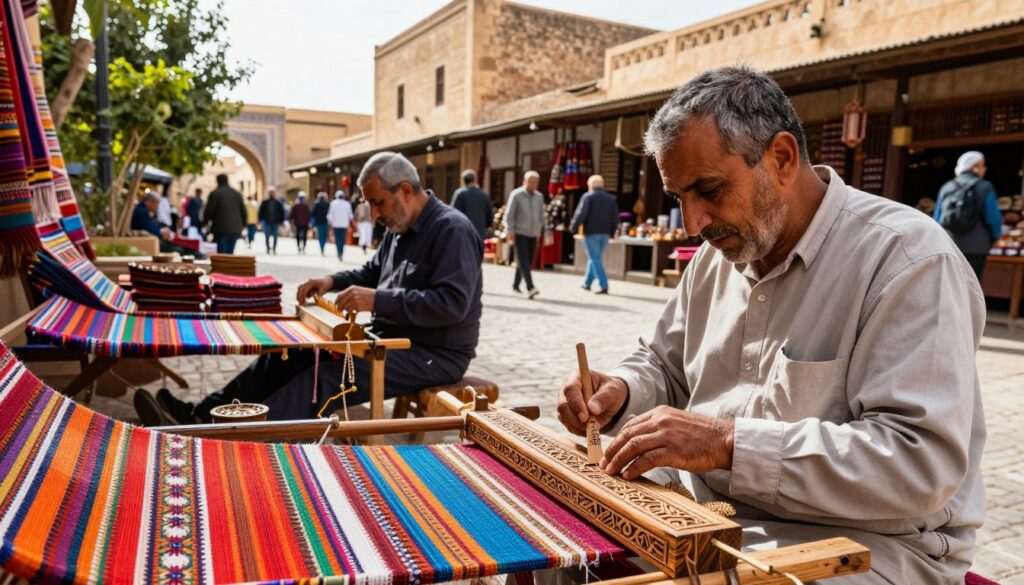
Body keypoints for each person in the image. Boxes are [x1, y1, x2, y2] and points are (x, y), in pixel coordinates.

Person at [556, 66, 984, 584]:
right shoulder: (718, 255)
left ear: (781, 158)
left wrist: (727, 444)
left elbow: (918, 465)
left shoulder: (908, 261)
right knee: (564, 544)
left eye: (708, 189)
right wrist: (619, 393)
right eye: (678, 198)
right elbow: (663, 364)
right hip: (709, 510)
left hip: (870, 543)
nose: (692, 223)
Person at [142, 151, 483, 423]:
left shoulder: (452, 230)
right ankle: (207, 415)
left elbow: (451, 303)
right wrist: (331, 281)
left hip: (433, 354)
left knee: (324, 378)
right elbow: (372, 271)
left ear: (406, 190)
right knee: (292, 353)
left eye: (377, 202)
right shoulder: (398, 229)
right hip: (388, 340)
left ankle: (249, 437)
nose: (373, 213)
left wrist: (378, 300)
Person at [934, 151, 1003, 279]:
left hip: (950, 245)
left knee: (950, 283)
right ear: (974, 167)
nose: (985, 169)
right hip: (977, 247)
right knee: (971, 287)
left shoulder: (947, 187)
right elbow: (993, 218)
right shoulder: (985, 187)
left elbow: (937, 218)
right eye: (983, 165)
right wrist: (996, 237)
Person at [570, 175, 618, 294]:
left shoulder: (588, 197)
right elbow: (615, 218)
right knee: (595, 258)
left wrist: (573, 226)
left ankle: (604, 285)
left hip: (591, 233)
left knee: (594, 259)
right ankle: (587, 283)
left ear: (590, 185)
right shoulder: (611, 198)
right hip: (605, 233)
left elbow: (581, 213)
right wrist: (612, 232)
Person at [504, 170, 546, 298]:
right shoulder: (516, 195)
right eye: (531, 182)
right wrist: (510, 231)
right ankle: (530, 287)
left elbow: (541, 215)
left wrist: (543, 229)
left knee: (526, 260)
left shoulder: (539, 196)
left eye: (535, 182)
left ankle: (516, 284)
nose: (533, 185)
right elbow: (509, 215)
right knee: (523, 259)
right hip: (519, 232)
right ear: (525, 182)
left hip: (533, 233)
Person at [202, 174, 246, 254]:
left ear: (217, 181)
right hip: (235, 228)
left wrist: (204, 223)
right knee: (230, 252)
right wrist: (244, 224)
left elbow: (209, 211)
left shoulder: (215, 193)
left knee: (222, 254)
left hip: (220, 228)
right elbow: (243, 211)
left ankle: (224, 266)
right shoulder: (236, 193)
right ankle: (229, 265)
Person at [451, 169, 494, 241]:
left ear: (463, 180)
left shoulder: (460, 193)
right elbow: (489, 214)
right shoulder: (484, 195)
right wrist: (488, 226)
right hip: (480, 231)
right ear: (475, 179)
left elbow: (453, 212)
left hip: (463, 230)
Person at [327, 189, 354, 260]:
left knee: (337, 239)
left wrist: (330, 223)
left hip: (336, 224)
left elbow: (330, 215)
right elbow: (351, 215)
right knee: (342, 239)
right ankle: (341, 252)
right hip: (344, 225)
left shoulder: (333, 203)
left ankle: (339, 252)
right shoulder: (347, 204)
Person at [258, 187, 285, 254]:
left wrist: (281, 221)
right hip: (267, 222)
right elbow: (261, 212)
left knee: (275, 236)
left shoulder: (278, 203)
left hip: (275, 222)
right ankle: (268, 248)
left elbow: (281, 212)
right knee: (267, 236)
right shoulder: (265, 202)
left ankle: (274, 248)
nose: (272, 194)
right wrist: (259, 220)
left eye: (273, 193)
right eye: (271, 193)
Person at [311, 191, 330, 256]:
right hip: (325, 221)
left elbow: (313, 213)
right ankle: (323, 247)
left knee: (320, 235)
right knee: (324, 236)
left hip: (318, 222)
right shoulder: (327, 203)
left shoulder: (316, 203)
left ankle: (321, 248)